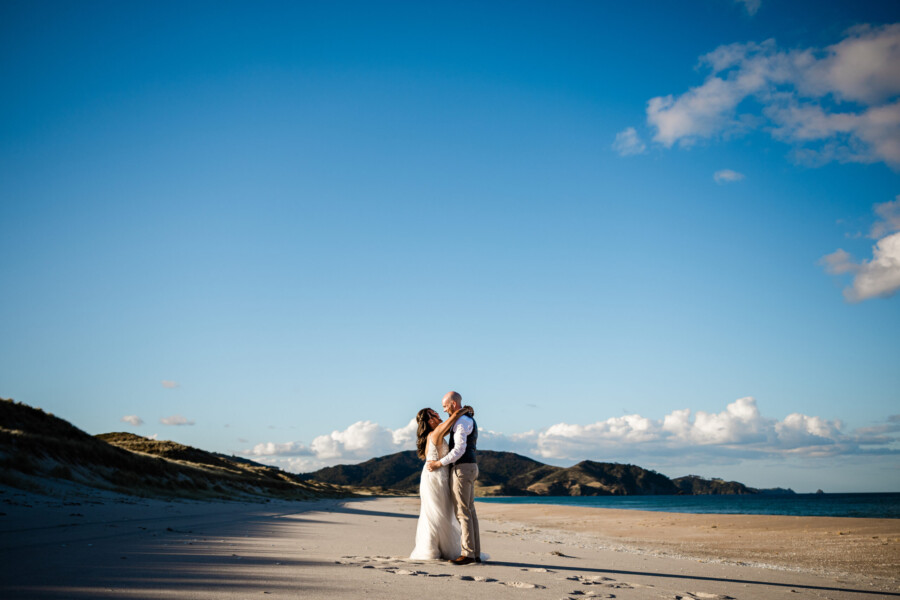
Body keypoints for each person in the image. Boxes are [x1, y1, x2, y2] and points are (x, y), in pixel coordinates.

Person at [409, 403, 473, 560]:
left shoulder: (431, 435)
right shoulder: (436, 432)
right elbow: (453, 419)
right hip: (436, 476)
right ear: (430, 421)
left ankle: (435, 547)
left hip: (433, 475)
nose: (439, 415)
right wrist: (465, 410)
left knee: (437, 512)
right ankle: (433, 548)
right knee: (439, 513)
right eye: (435, 414)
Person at [426, 390, 481, 565]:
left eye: (444, 406)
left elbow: (458, 450)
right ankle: (475, 552)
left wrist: (438, 464)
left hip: (462, 469)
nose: (443, 410)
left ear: (453, 404)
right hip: (471, 467)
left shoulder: (461, 422)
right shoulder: (467, 419)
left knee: (463, 513)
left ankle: (468, 554)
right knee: (470, 511)